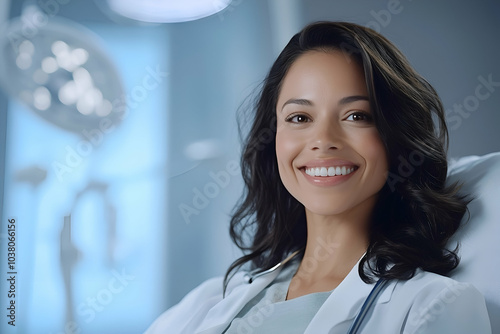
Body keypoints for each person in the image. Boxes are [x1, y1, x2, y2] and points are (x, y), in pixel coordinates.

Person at [145, 21, 492, 333]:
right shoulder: (212, 299)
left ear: (395, 138)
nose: (324, 140)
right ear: (273, 139)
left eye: (356, 116)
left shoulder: (433, 305)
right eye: (299, 118)